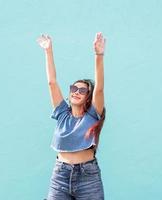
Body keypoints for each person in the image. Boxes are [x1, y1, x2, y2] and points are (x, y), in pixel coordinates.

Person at [37, 32, 106, 200]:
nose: (76, 92)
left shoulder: (92, 115)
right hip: (60, 174)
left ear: (88, 97)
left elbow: (99, 89)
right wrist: (48, 51)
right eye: (74, 88)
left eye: (82, 90)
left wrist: (99, 55)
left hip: (88, 177)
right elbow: (52, 82)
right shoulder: (61, 114)